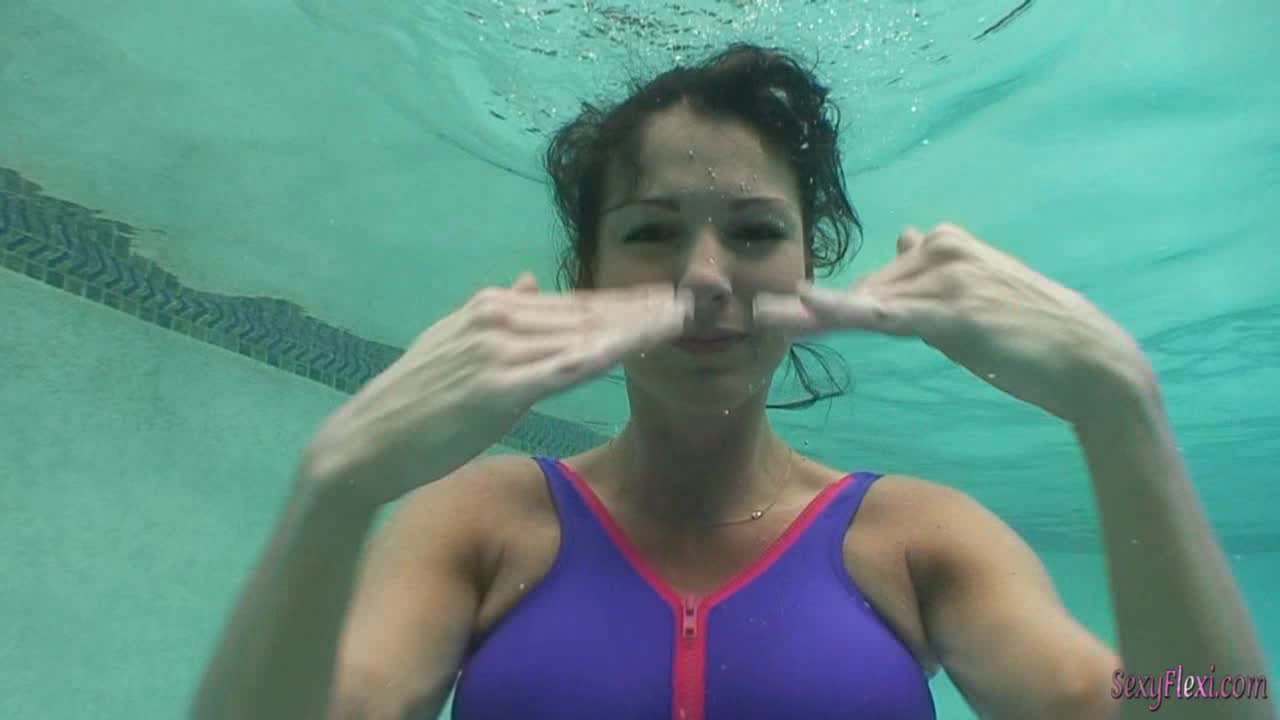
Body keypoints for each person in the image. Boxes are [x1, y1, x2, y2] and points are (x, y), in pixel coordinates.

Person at [190, 44, 1273, 720]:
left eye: (754, 232)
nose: (706, 279)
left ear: (807, 265)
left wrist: (1121, 413)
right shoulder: (477, 526)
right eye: (651, 232)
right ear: (586, 275)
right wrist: (333, 490)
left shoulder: (917, 539)